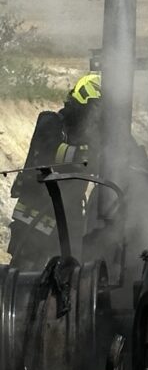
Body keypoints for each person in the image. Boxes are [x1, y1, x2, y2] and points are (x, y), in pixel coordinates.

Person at [8, 72, 104, 268]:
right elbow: (51, 152)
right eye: (94, 110)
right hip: (35, 214)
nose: (96, 119)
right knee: (26, 274)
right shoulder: (50, 123)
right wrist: (88, 156)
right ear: (81, 103)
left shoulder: (89, 138)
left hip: (69, 216)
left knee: (69, 273)